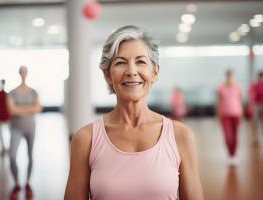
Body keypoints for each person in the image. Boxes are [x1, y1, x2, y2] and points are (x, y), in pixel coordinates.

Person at [65, 25, 204, 200]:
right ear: (107, 74)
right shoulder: (85, 138)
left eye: (140, 61)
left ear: (154, 72)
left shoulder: (181, 136)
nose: (131, 71)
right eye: (121, 62)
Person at [7, 66, 42, 200]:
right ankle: (16, 184)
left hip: (30, 127)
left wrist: (19, 108)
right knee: (11, 156)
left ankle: (27, 183)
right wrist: (30, 109)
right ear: (19, 73)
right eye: (21, 71)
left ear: (27, 73)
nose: (23, 73)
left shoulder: (33, 92)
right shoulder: (12, 92)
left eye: (25, 71)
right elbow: (11, 110)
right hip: (16, 128)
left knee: (30, 155)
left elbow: (39, 108)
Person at [217, 69, 243, 166]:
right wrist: (218, 114)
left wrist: (242, 114)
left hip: (236, 114)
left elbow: (240, 101)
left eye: (231, 75)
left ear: (233, 76)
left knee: (235, 136)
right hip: (225, 115)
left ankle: (234, 155)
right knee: (228, 136)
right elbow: (218, 102)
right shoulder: (221, 87)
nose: (230, 77)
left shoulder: (238, 87)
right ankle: (230, 155)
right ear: (226, 76)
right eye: (228, 75)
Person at [0, 79, 10, 156]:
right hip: (2, 115)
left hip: (5, 115)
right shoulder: (1, 94)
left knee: (7, 132)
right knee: (1, 133)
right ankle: (3, 148)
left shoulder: (4, 94)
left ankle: (6, 147)